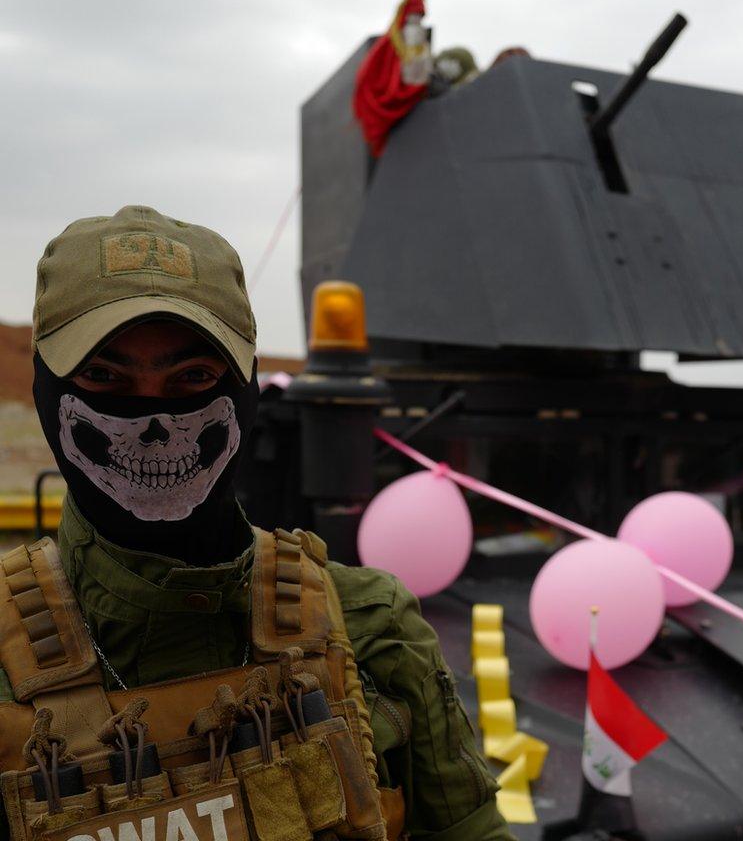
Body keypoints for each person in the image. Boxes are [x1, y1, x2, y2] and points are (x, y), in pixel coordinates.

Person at [0, 205, 514, 841]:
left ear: (243, 392)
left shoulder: (369, 624)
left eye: (194, 377)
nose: (153, 421)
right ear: (49, 392)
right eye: (104, 377)